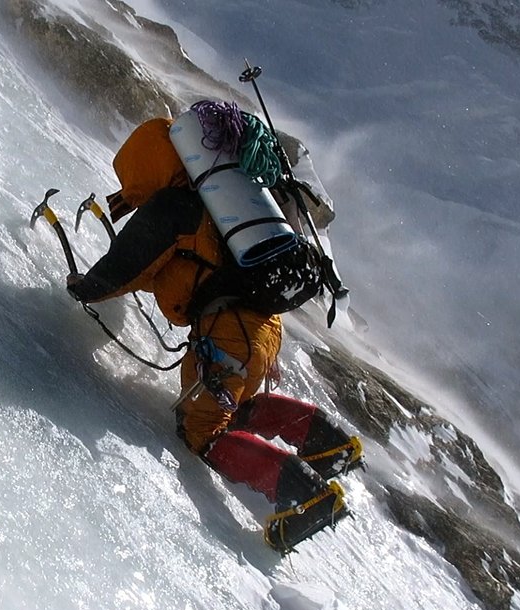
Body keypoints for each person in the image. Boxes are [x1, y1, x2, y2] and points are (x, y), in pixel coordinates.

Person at [65, 117, 362, 550]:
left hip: (228, 337)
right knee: (233, 408)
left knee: (204, 431)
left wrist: (84, 289)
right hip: (261, 328)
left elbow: (124, 269)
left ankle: (310, 497)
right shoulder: (223, 208)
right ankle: (328, 441)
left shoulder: (173, 208)